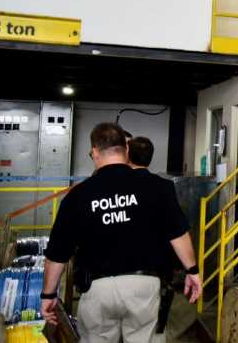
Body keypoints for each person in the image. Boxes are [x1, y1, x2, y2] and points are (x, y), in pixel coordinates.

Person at [41, 123, 202, 343]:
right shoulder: (158, 187)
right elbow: (178, 233)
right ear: (126, 150)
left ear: (95, 152)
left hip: (97, 289)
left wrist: (48, 294)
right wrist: (192, 271)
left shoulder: (77, 196)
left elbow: (57, 254)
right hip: (143, 286)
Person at [127, 136, 178, 341]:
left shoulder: (117, 184)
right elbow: (176, 229)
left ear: (128, 155)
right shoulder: (165, 186)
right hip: (156, 270)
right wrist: (191, 269)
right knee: (149, 328)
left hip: (121, 269)